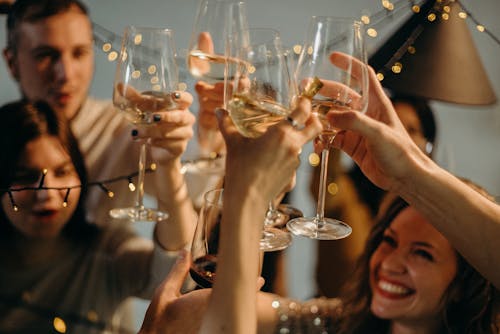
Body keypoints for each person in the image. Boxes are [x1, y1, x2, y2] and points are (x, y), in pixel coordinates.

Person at [137, 51, 500, 334]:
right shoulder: (335, 322)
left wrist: (248, 193)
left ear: (467, 283)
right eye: (387, 241)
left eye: (422, 254)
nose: (389, 263)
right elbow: (214, 316)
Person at [0, 100, 196, 333]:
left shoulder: (107, 253)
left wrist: (169, 166)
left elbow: (179, 278)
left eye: (62, 172)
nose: (46, 193)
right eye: (25, 176)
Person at [3, 0, 197, 226]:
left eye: (79, 53)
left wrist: (204, 137)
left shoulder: (126, 130)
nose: (66, 73)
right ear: (12, 62)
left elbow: (197, 191)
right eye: (46, 55)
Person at [313, 93, 437, 297]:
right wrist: (334, 128)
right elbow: (326, 187)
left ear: (428, 145)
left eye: (411, 130)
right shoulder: (347, 190)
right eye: (388, 128)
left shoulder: (430, 213)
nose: (397, 138)